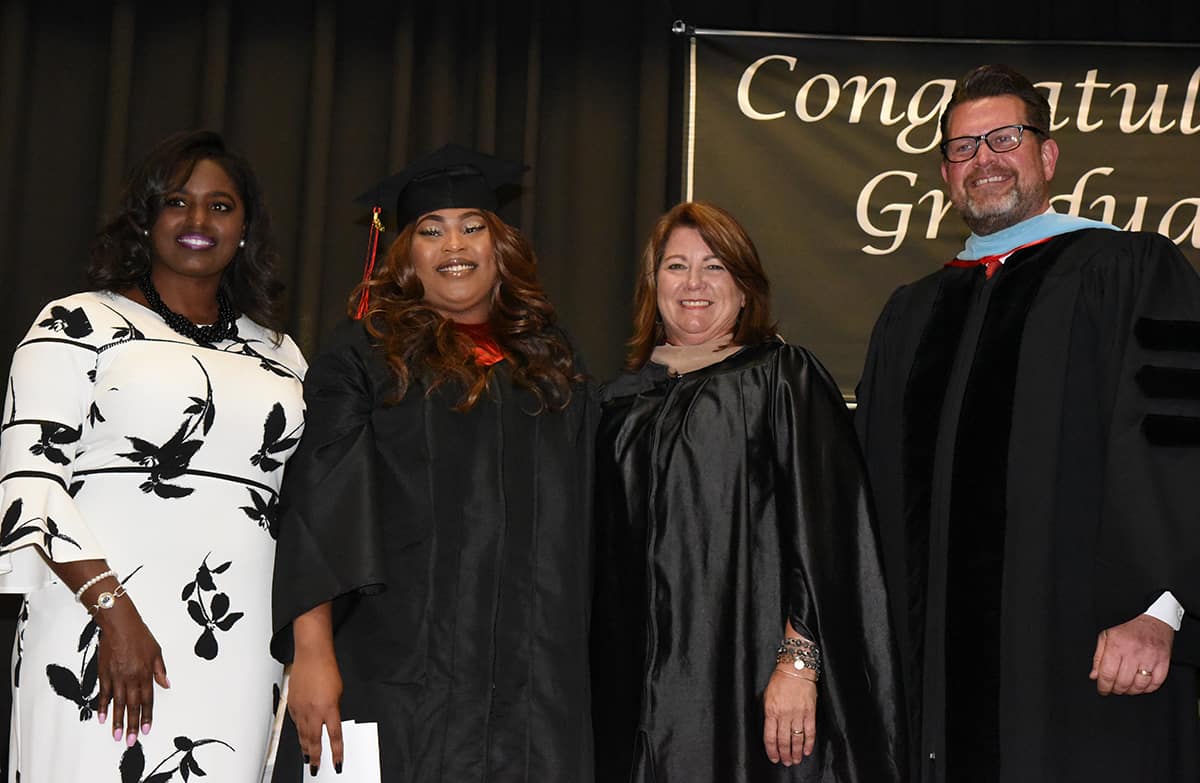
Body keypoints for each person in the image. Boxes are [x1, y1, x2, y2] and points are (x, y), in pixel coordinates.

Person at [854, 64, 1200, 783]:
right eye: (962, 147)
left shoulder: (1132, 270)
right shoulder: (910, 315)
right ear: (945, 173)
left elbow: (1181, 440)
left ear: (1047, 155)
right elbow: (870, 494)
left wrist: (1160, 609)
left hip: (1094, 660)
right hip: (934, 686)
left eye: (1003, 138)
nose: (983, 159)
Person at [270, 145, 596, 782]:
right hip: (399, 670)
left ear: (501, 246)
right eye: (431, 229)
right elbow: (317, 502)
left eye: (473, 226)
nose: (455, 244)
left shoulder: (553, 365)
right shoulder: (365, 358)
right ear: (406, 255)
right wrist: (311, 652)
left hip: (532, 687)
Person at [0, 130, 306, 782]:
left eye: (221, 206)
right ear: (147, 220)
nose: (199, 221)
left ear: (245, 227)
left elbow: (310, 506)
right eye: (177, 202)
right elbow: (31, 484)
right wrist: (114, 613)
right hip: (98, 622)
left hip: (240, 645)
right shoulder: (77, 324)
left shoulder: (282, 354)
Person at [590, 201, 904, 783]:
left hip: (751, 675)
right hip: (640, 695)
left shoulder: (781, 378)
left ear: (743, 286)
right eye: (675, 266)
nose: (693, 284)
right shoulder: (618, 405)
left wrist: (799, 663)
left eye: (714, 266)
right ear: (652, 284)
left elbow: (830, 533)